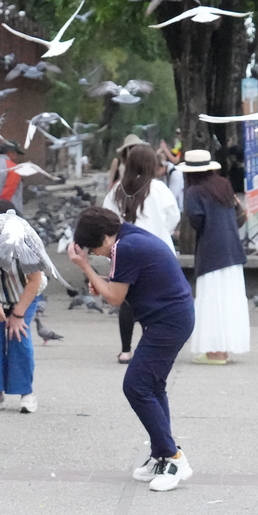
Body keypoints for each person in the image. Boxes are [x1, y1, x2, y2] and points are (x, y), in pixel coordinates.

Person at [67, 207, 197, 492]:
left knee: (136, 386)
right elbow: (121, 286)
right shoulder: (130, 238)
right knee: (153, 386)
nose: (97, 254)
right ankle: (161, 454)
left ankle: (174, 459)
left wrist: (85, 267)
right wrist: (101, 281)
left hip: (168, 322)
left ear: (105, 237)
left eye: (95, 249)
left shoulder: (126, 247)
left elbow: (115, 298)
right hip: (172, 317)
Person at [103, 142, 181, 364]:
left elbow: (107, 218)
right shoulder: (159, 189)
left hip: (124, 251)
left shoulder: (117, 190)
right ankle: (151, 347)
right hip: (157, 252)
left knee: (126, 300)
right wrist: (161, 230)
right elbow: (173, 217)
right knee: (155, 302)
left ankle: (125, 350)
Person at [179, 150, 250, 363]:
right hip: (232, 249)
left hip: (211, 251)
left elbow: (197, 220)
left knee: (211, 298)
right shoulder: (224, 185)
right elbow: (236, 213)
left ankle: (215, 352)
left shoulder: (194, 191)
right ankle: (224, 348)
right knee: (229, 298)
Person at [0, 200, 44, 414]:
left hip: (24, 294)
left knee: (19, 337)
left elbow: (34, 281)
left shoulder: (26, 244)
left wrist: (18, 314)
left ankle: (26, 393)